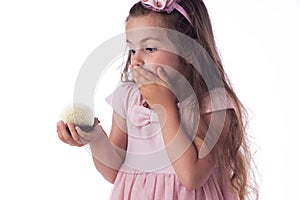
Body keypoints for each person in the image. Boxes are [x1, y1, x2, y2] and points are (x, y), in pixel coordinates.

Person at [56, 0, 258, 199]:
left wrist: (165, 106)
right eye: (133, 50)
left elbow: (192, 177)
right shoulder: (129, 98)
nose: (136, 60)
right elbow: (114, 172)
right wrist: (96, 139)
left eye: (150, 49)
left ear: (189, 51)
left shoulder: (214, 104)